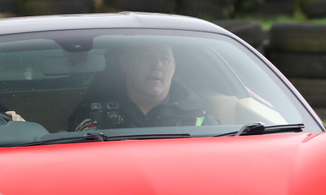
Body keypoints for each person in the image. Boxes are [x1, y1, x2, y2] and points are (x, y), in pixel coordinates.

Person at [68, 41, 217, 131]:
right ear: (125, 64)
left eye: (164, 58)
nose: (157, 65)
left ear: (173, 66)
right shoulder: (96, 116)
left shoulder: (196, 116)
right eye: (146, 57)